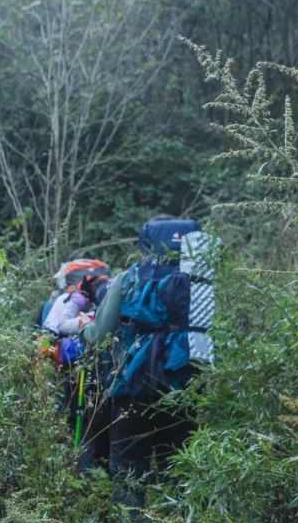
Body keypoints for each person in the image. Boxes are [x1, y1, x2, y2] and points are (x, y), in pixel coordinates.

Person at [79, 215, 217, 507]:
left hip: (133, 387)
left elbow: (100, 335)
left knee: (129, 468)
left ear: (146, 244)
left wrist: (82, 330)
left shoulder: (129, 278)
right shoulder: (203, 282)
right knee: (178, 467)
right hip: (185, 387)